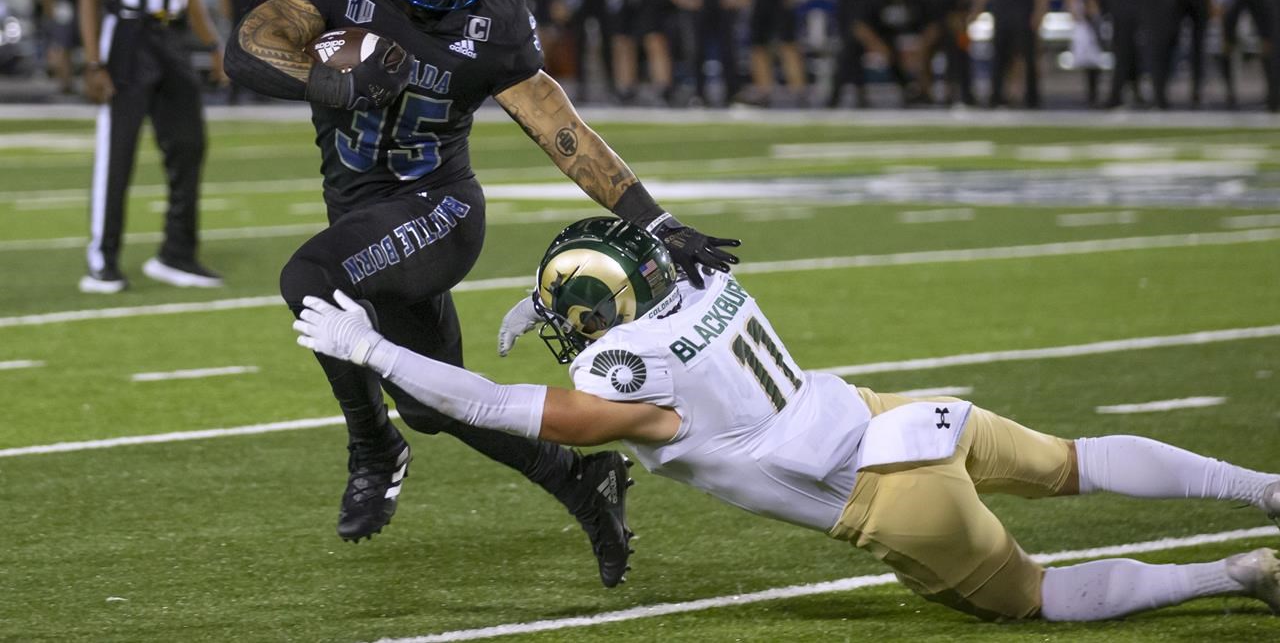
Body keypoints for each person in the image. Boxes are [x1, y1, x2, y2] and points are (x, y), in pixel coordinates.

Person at [294, 216, 1280, 620]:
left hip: (882, 497)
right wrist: (546, 298)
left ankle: (1228, 573)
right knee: (1075, 460)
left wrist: (374, 350)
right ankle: (1261, 489)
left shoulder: (633, 388)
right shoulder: (698, 270)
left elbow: (494, 404)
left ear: (597, 319)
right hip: (895, 414)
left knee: (1033, 596)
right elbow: (635, 249)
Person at [222, 0, 740, 586]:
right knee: (433, 400)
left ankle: (373, 447)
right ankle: (581, 481)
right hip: (367, 219)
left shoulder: (495, 21)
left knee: (309, 275)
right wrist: (333, 79)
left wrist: (654, 218)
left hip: (441, 211)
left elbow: (560, 127)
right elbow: (245, 48)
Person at [78, 0, 227, 294]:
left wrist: (212, 43)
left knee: (189, 145)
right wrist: (93, 61)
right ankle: (103, 259)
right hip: (126, 35)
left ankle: (176, 254)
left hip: (172, 36)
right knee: (118, 152)